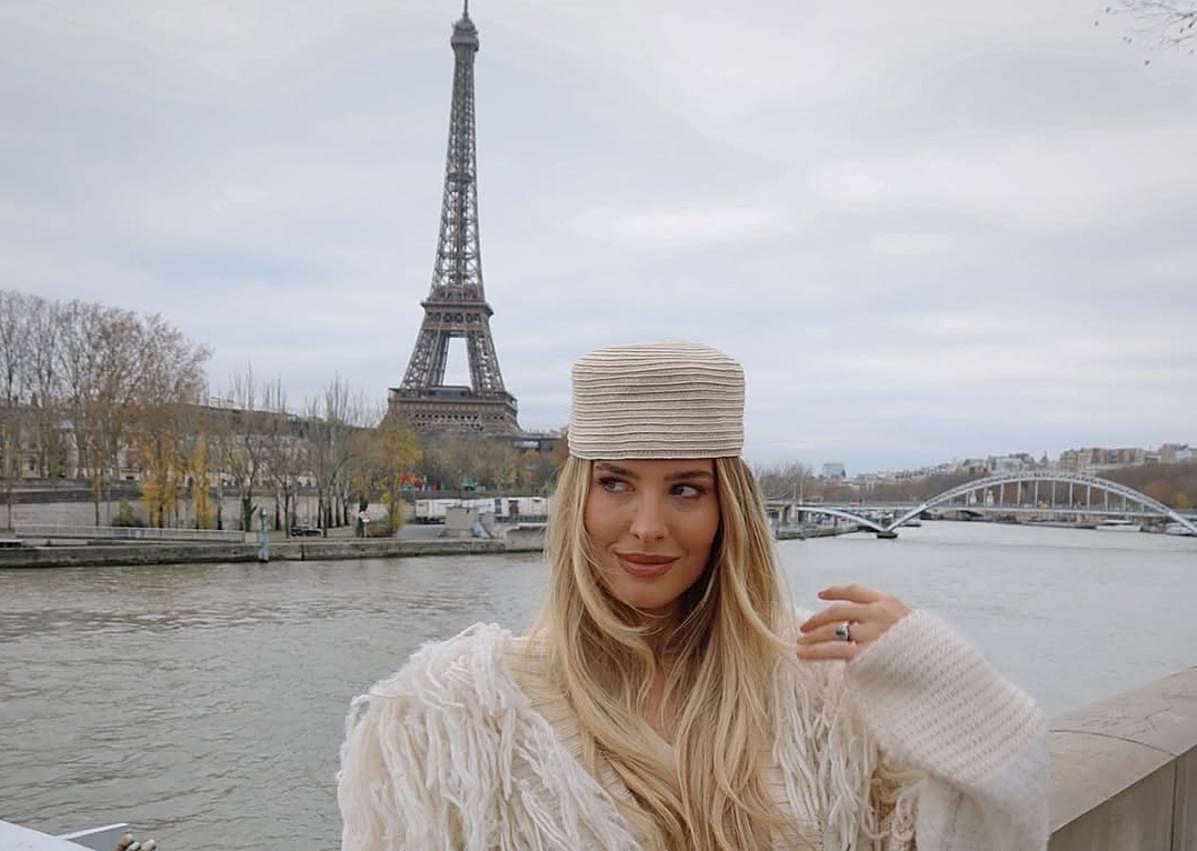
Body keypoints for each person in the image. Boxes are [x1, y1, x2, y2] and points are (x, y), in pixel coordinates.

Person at [338, 341, 1049, 851]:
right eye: (615, 482)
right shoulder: (450, 716)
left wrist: (954, 697)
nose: (647, 526)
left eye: (684, 488)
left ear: (726, 511)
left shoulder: (828, 700)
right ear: (574, 500)